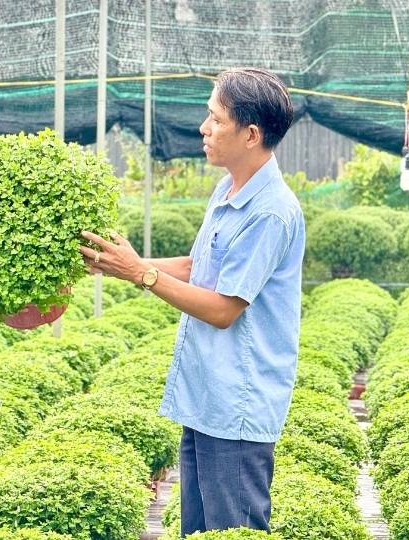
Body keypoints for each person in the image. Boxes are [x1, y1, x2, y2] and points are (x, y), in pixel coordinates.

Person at [81, 67, 305, 534]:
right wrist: (117, 262)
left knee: (231, 530)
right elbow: (197, 265)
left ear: (250, 134)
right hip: (206, 398)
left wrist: (140, 273)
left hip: (237, 408)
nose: (204, 128)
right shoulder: (229, 188)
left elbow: (223, 309)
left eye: (215, 118)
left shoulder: (271, 212)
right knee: (198, 530)